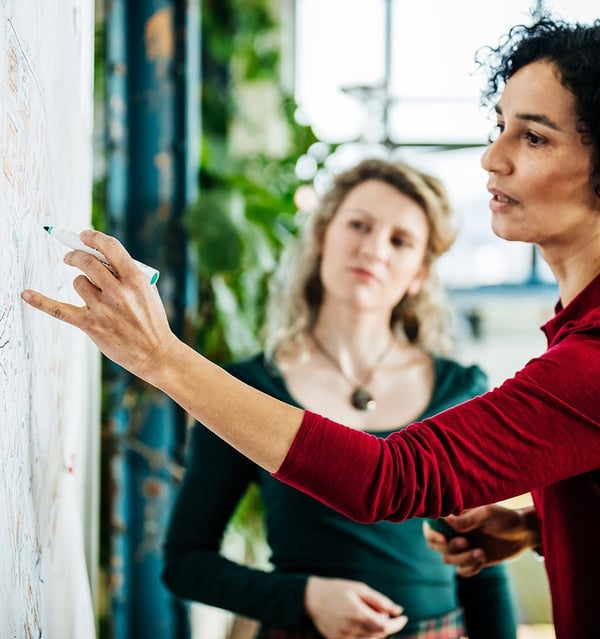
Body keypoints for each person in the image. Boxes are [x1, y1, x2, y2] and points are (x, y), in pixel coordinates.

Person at [21, 15, 600, 639]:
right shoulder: (571, 335)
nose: (492, 158)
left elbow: (392, 479)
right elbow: (187, 562)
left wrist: (162, 357)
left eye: (534, 139)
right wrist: (537, 531)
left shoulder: (582, 359)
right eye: (499, 127)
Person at [160, 159, 517, 639]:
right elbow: (185, 562)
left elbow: (483, 567)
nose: (373, 249)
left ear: (419, 273)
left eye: (399, 240)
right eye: (359, 225)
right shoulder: (247, 389)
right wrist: (303, 596)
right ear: (324, 237)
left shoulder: (461, 389)